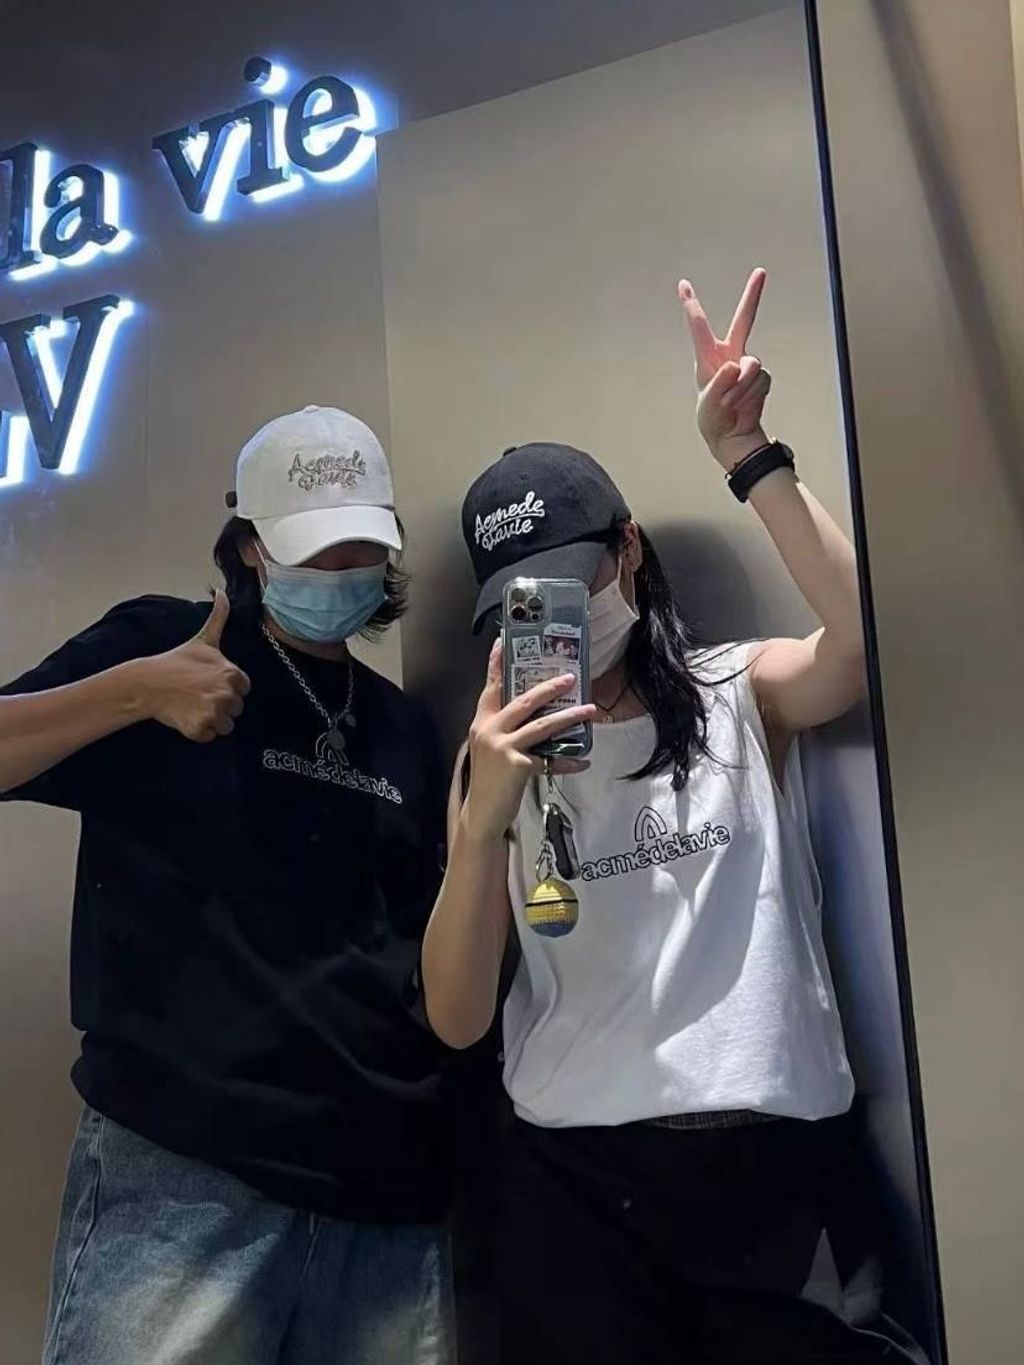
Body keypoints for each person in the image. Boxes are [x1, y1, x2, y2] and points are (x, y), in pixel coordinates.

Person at [422, 273, 928, 1363]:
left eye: (573, 581)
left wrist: (749, 458)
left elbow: (868, 641)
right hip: (571, 1187)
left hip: (770, 1171)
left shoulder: (735, 692)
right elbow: (457, 1019)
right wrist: (484, 819)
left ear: (629, 550)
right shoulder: (496, 765)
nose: (558, 620)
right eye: (525, 604)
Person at [1, 406, 454, 1365]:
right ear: (250, 544)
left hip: (384, 1189)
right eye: (313, 547)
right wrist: (132, 692)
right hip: (185, 1175)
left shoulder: (403, 727)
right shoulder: (162, 646)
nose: (339, 570)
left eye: (360, 546)